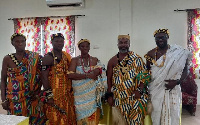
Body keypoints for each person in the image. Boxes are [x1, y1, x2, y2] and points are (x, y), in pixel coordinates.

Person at [144, 29, 191, 125]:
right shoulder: (150, 54)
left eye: (162, 37)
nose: (160, 40)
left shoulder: (178, 52)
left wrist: (176, 82)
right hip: (156, 90)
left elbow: (186, 71)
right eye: (157, 38)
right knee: (156, 115)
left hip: (173, 89)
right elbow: (147, 73)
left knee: (174, 114)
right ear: (155, 39)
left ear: (167, 38)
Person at [0, 33, 46, 124]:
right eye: (17, 41)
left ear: (25, 43)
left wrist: (41, 92)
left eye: (22, 41)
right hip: (15, 98)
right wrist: (3, 99)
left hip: (32, 96)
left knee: (35, 119)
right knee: (16, 121)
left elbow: (42, 75)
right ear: (12, 43)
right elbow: (3, 80)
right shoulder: (8, 59)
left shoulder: (35, 57)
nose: (20, 43)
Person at [107, 35, 151, 125]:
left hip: (135, 96)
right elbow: (109, 79)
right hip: (119, 97)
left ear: (129, 44)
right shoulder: (112, 61)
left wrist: (139, 90)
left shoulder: (137, 58)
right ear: (117, 44)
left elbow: (145, 76)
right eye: (121, 43)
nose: (123, 45)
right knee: (121, 122)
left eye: (125, 43)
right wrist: (109, 96)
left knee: (136, 120)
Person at [67, 39, 107, 125]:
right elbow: (70, 75)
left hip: (92, 96)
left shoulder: (95, 60)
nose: (85, 48)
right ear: (79, 48)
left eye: (87, 46)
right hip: (79, 96)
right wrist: (87, 76)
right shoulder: (75, 60)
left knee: (92, 119)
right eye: (82, 46)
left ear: (89, 48)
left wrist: (98, 70)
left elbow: (102, 70)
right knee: (81, 119)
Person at [41, 33, 76, 125]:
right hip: (54, 95)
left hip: (67, 94)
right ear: (51, 42)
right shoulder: (48, 58)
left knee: (68, 118)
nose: (59, 43)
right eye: (56, 41)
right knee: (55, 118)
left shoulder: (66, 56)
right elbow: (44, 77)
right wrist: (49, 95)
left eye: (61, 41)